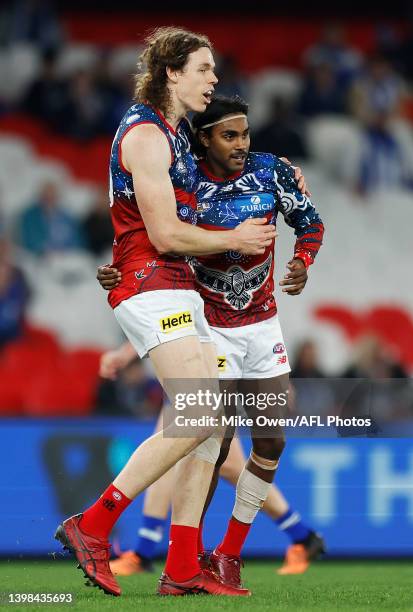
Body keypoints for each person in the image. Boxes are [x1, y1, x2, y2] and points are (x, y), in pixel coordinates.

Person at [54, 27, 276, 598]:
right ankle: (94, 524)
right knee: (200, 412)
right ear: (172, 73)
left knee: (213, 420)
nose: (214, 79)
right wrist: (235, 237)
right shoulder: (147, 135)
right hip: (152, 284)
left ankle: (181, 564)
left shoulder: (174, 136)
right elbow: (164, 232)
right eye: (204, 69)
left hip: (177, 286)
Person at [98, 94, 325, 588]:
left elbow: (310, 222)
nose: (242, 144)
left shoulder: (272, 172)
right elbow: (154, 229)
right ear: (204, 139)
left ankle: (226, 553)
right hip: (207, 323)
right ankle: (181, 556)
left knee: (270, 440)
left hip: (263, 323)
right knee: (207, 441)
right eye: (229, 135)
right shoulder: (184, 179)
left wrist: (303, 261)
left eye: (245, 134)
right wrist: (125, 265)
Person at [98, 340, 325, 577]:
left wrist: (275, 371)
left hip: (212, 370)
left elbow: (244, 317)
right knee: (188, 459)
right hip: (195, 369)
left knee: (222, 465)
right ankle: (302, 536)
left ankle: (303, 537)